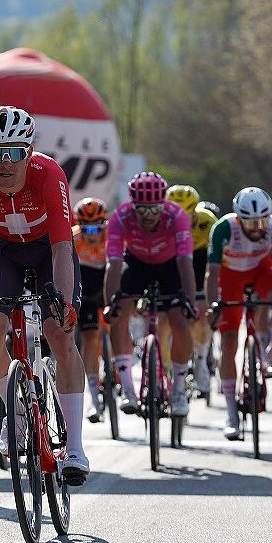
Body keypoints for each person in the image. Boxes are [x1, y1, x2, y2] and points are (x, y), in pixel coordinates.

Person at [0, 105, 90, 485]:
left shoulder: (49, 174)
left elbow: (63, 247)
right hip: (2, 251)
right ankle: (16, 412)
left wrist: (62, 303)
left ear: (28, 152)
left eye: (13, 152)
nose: (4, 163)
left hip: (48, 249)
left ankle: (74, 448)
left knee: (59, 335)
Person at [205, 187, 272, 440]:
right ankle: (231, 413)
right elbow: (211, 273)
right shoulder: (223, 228)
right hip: (230, 276)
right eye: (251, 222)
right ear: (238, 219)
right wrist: (214, 306)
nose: (257, 227)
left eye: (262, 221)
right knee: (230, 338)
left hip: (260, 270)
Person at [105, 172, 197, 417]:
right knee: (119, 312)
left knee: (178, 318)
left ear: (163, 205)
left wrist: (189, 301)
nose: (148, 216)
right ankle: (127, 388)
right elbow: (114, 265)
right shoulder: (120, 218)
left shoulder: (176, 216)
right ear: (132, 206)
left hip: (170, 266)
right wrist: (110, 303)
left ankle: (178, 389)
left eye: (154, 209)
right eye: (142, 210)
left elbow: (186, 262)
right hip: (136, 262)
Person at [71, 197, 109, 422]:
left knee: (116, 326)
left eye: (97, 227)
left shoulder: (112, 238)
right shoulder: (74, 239)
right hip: (85, 288)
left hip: (106, 283)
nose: (92, 234)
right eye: (87, 228)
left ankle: (117, 366)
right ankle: (94, 398)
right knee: (90, 337)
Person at [189, 202, 219, 394]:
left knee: (203, 311)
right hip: (176, 261)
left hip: (201, 263)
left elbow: (215, 262)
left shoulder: (209, 221)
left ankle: (201, 359)